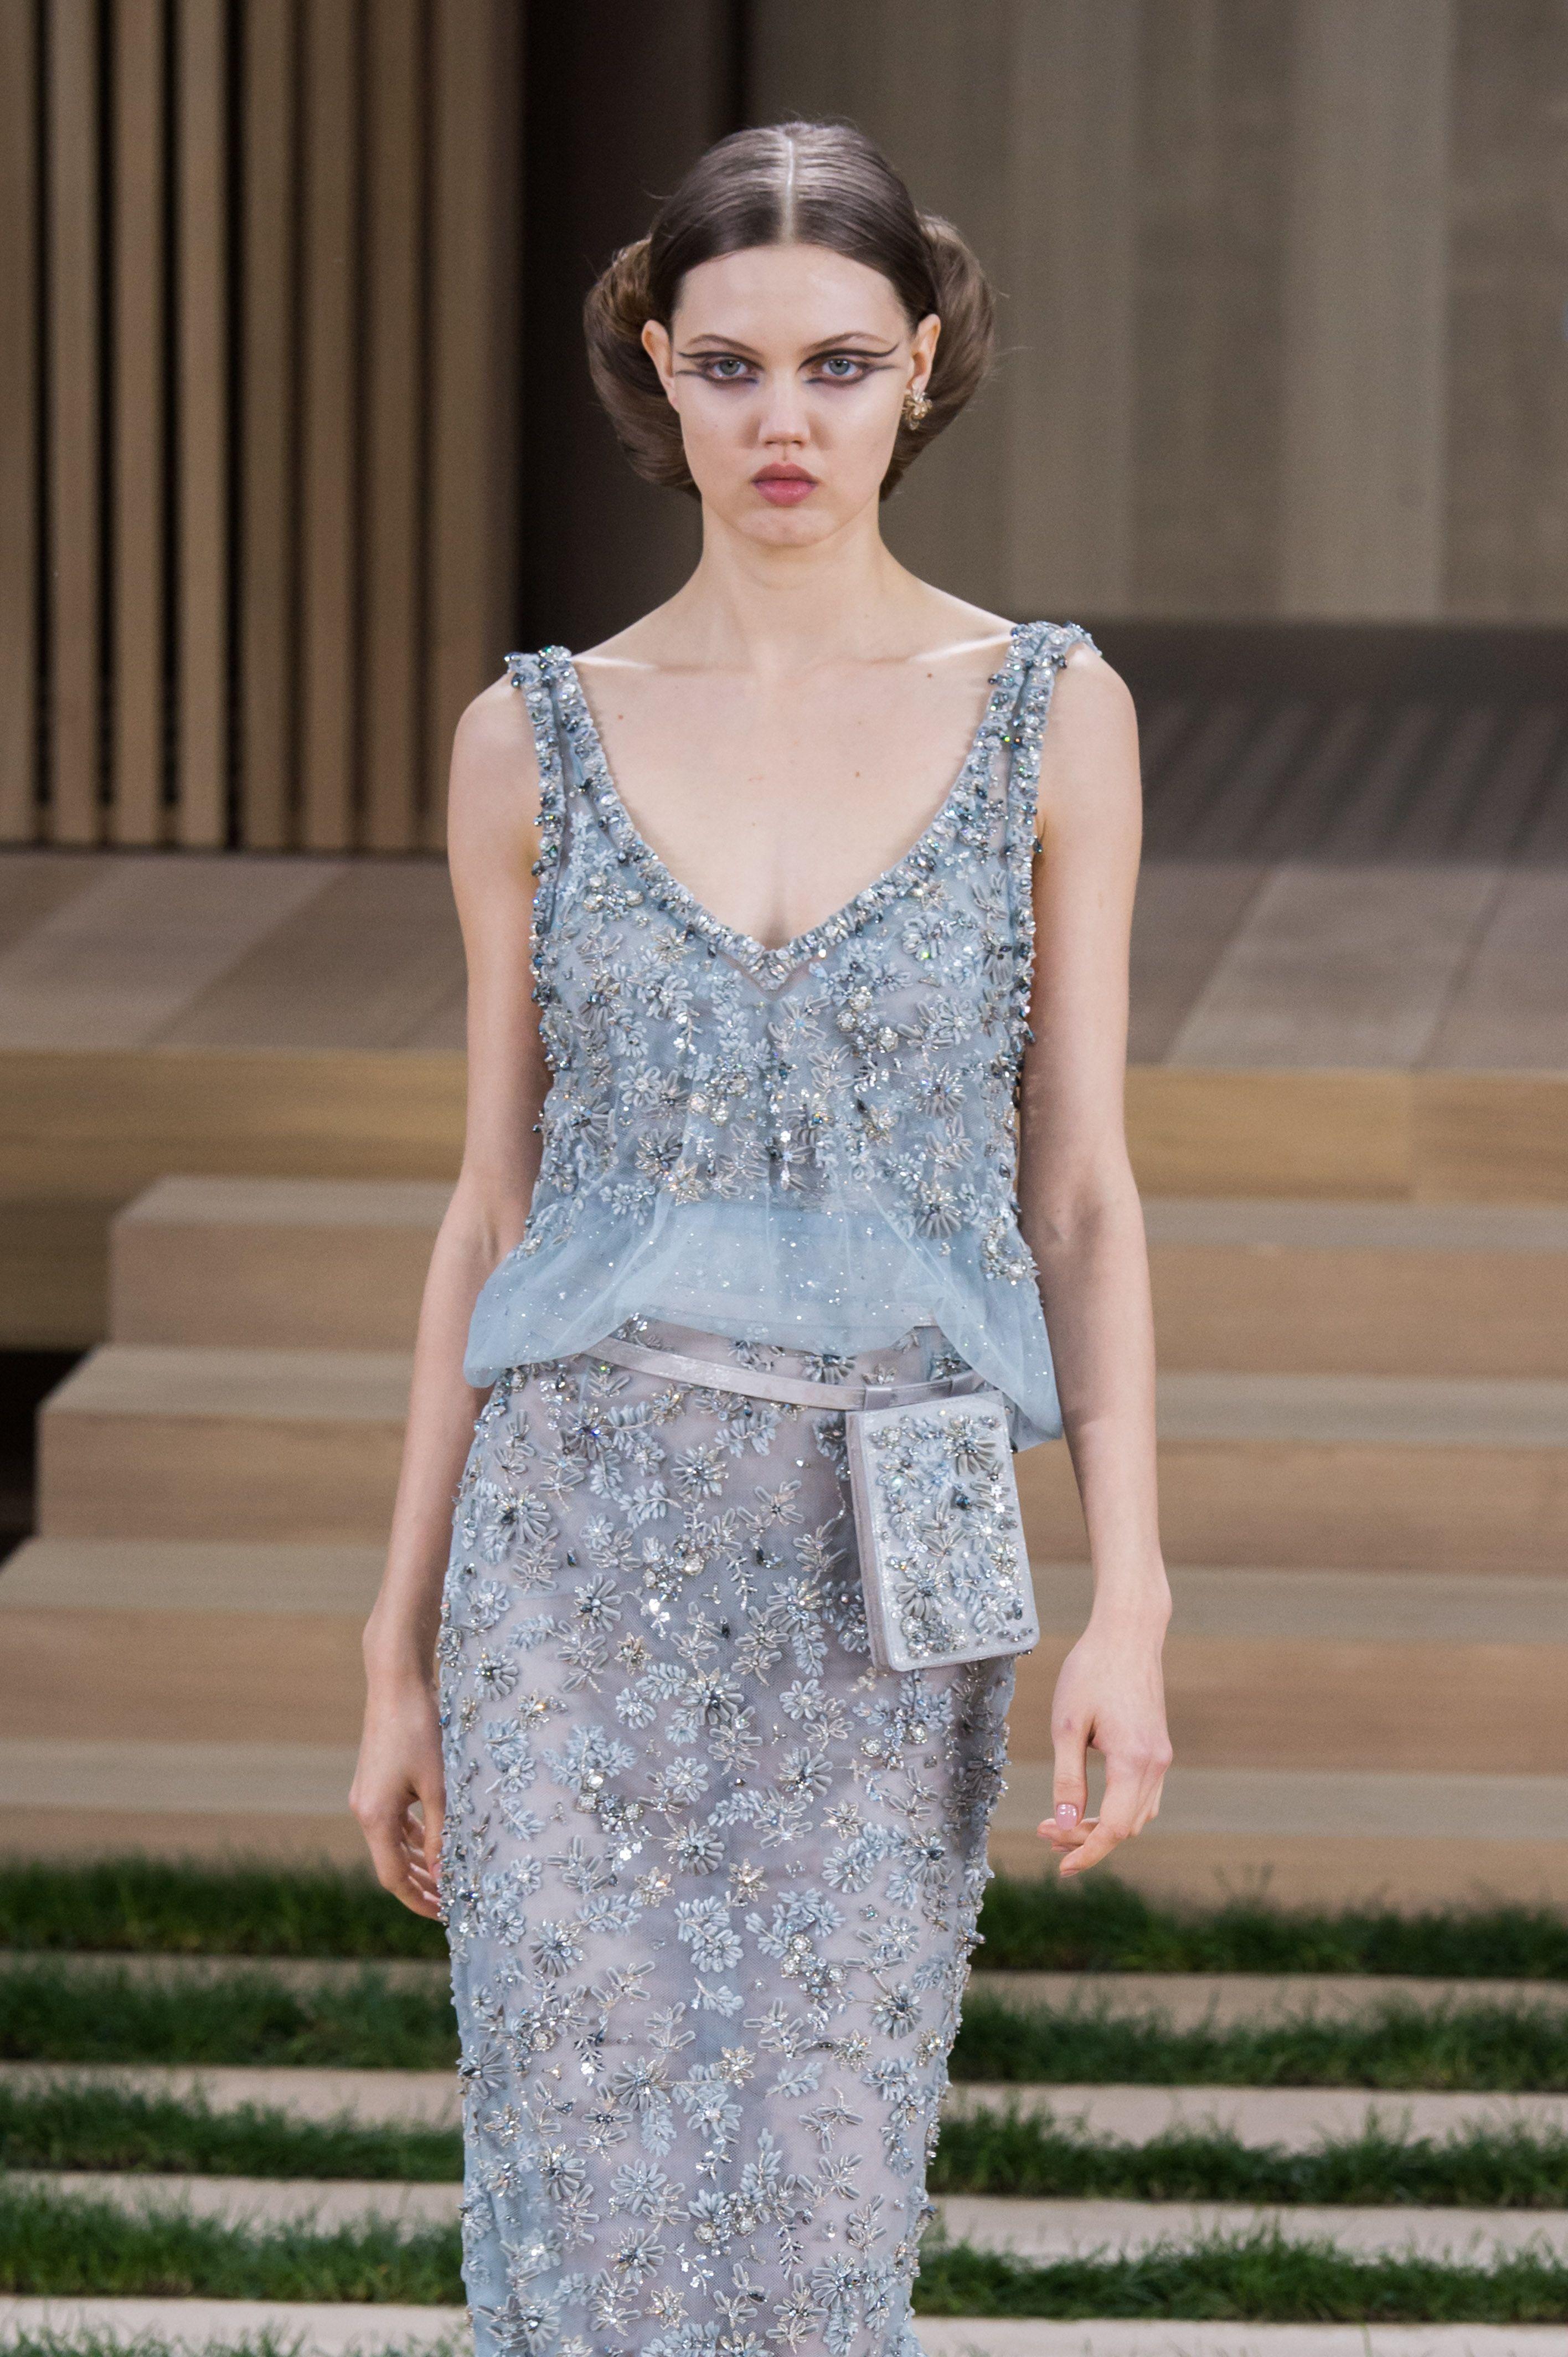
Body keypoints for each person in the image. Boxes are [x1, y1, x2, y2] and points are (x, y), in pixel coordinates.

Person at [351, 117, 1170, 2357]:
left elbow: (1080, 1190)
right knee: (583, 2175)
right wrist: (396, 1645)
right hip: (570, 1534)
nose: (782, 421)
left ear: (924, 362)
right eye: (729, 366)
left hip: (903, 1529)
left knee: (822, 2191)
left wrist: (1134, 1593)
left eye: (835, 363)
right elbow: (494, 1203)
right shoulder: (531, 739)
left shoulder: (1050, 715)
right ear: (658, 366)